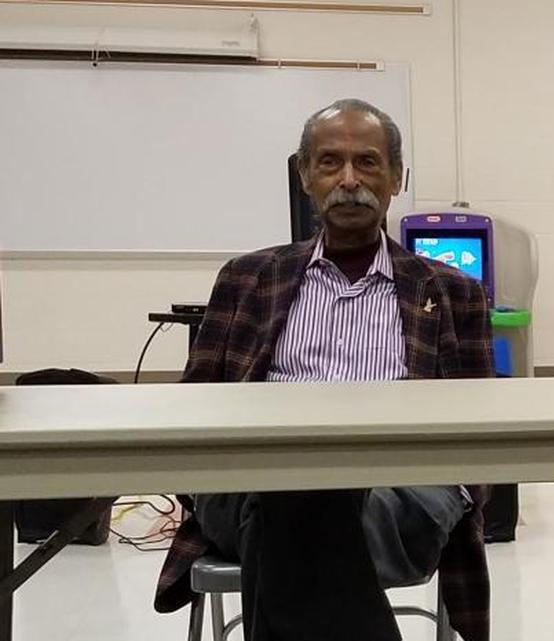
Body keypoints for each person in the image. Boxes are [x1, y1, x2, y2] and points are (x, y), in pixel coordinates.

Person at [153, 99, 492, 641]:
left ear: (396, 177)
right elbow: (193, 410)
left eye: (368, 162)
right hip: (250, 480)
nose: (350, 179)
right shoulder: (247, 279)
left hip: (404, 490)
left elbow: (484, 438)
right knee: (291, 489)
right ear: (305, 174)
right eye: (331, 162)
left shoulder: (453, 294)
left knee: (289, 507)